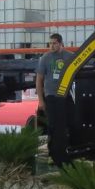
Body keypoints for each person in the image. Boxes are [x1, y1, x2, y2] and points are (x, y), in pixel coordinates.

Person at [36, 34, 74, 167]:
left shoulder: (69, 56)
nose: (51, 46)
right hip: (51, 96)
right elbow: (39, 80)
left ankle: (64, 153)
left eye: (54, 43)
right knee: (53, 126)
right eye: (50, 43)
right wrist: (41, 100)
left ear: (61, 43)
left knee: (65, 125)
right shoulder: (45, 58)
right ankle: (52, 155)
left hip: (65, 96)